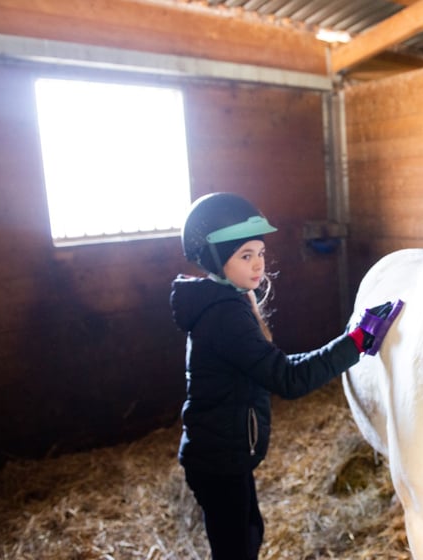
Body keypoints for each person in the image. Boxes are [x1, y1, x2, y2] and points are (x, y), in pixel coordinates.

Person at [170, 192, 402, 560]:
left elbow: (276, 366)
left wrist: (350, 342)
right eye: (245, 255)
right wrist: (356, 342)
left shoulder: (227, 302)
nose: (258, 264)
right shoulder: (224, 316)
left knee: (249, 535)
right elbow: (288, 379)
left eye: (260, 253)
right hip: (218, 459)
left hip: (223, 454)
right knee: (237, 548)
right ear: (215, 258)